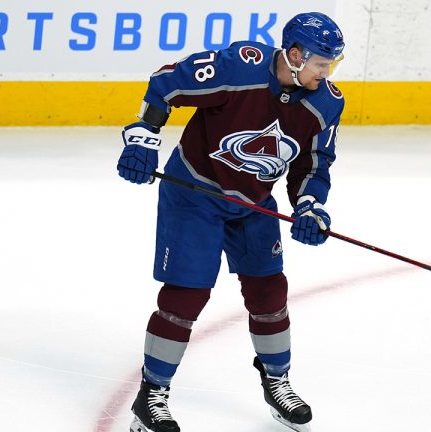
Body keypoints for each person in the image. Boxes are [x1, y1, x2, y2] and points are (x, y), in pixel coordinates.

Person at [116, 11, 346, 432]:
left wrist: (310, 205)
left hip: (253, 203)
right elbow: (166, 81)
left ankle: (277, 381)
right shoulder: (238, 67)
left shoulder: (326, 102)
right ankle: (151, 396)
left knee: (269, 291)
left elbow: (315, 163)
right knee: (187, 294)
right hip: (196, 194)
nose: (325, 73)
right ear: (295, 54)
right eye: (319, 63)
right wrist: (144, 136)